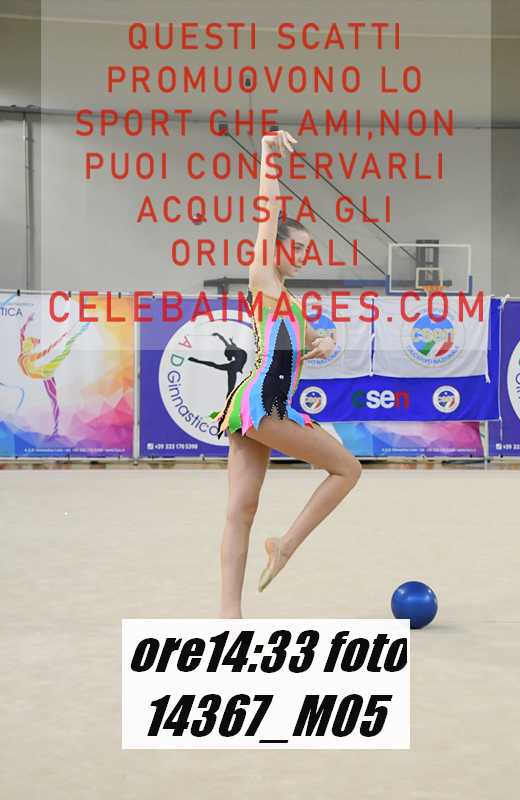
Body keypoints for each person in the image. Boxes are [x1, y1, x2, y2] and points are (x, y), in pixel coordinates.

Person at [212, 130, 362, 618]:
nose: (303, 256)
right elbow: (267, 212)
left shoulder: (289, 303)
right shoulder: (264, 281)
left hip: (251, 405)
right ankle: (287, 545)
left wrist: (325, 342)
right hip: (264, 403)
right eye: (296, 247)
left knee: (241, 509)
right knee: (348, 469)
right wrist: (268, 156)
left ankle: (228, 616)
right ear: (274, 249)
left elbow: (313, 339)